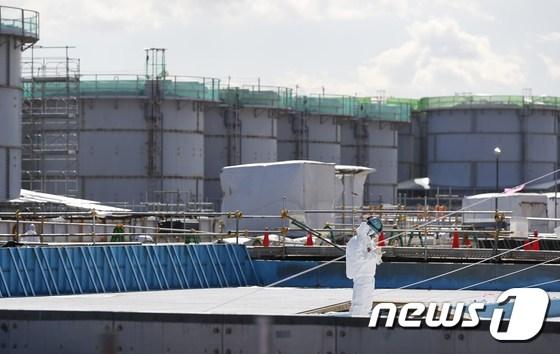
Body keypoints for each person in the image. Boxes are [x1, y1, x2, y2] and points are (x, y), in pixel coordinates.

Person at [346, 217, 383, 316]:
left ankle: (364, 319)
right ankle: (357, 320)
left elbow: (370, 256)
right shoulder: (356, 241)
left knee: (367, 303)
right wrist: (373, 255)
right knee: (360, 302)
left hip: (369, 276)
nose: (373, 233)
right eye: (372, 231)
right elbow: (359, 259)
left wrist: (378, 256)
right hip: (361, 276)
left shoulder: (368, 241)